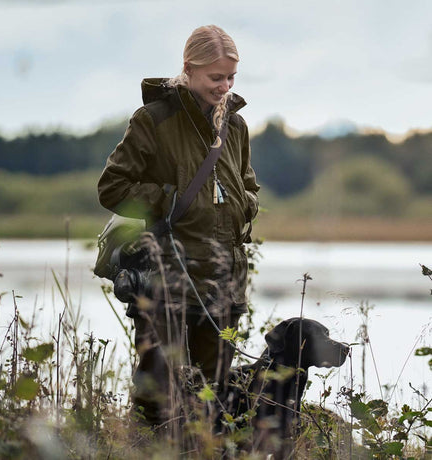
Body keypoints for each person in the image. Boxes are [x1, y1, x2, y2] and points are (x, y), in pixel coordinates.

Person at [97, 25, 260, 428]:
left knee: (212, 395)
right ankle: (145, 450)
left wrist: (245, 206)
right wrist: (169, 199)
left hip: (224, 280)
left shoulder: (236, 126)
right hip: (166, 278)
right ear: (188, 69)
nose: (225, 86)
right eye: (216, 77)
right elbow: (112, 187)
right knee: (157, 394)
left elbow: (249, 187)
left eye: (231, 77)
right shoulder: (153, 120)